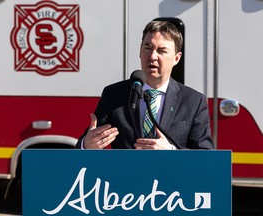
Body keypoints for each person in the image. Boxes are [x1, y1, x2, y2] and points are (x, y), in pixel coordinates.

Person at [76, 19, 214, 150]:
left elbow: (206, 155)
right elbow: (86, 143)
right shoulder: (114, 94)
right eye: (148, 48)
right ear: (140, 51)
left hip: (170, 174)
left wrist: (172, 152)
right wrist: (86, 145)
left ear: (176, 58)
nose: (153, 56)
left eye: (161, 51)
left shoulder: (194, 101)